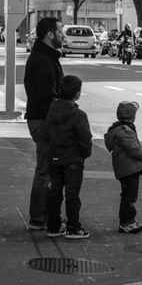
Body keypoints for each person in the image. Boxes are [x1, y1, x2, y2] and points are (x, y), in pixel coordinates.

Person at [24, 17, 65, 231]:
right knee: (45, 170)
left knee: (48, 169)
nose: (62, 35)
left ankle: (45, 215)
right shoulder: (42, 60)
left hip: (42, 118)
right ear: (50, 34)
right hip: (44, 120)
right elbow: (48, 97)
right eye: (60, 31)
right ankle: (39, 218)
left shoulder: (44, 56)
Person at [44, 75, 92, 239]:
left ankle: (53, 226)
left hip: (53, 158)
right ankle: (73, 228)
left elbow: (46, 134)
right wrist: (84, 154)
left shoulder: (50, 110)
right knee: (72, 195)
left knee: (54, 193)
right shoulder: (79, 115)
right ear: (77, 95)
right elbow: (85, 139)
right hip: (72, 160)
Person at [104, 101, 142, 234]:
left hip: (127, 168)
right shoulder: (125, 130)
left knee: (128, 195)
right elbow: (134, 149)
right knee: (129, 197)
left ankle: (130, 220)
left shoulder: (120, 128)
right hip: (129, 168)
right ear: (131, 116)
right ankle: (126, 222)